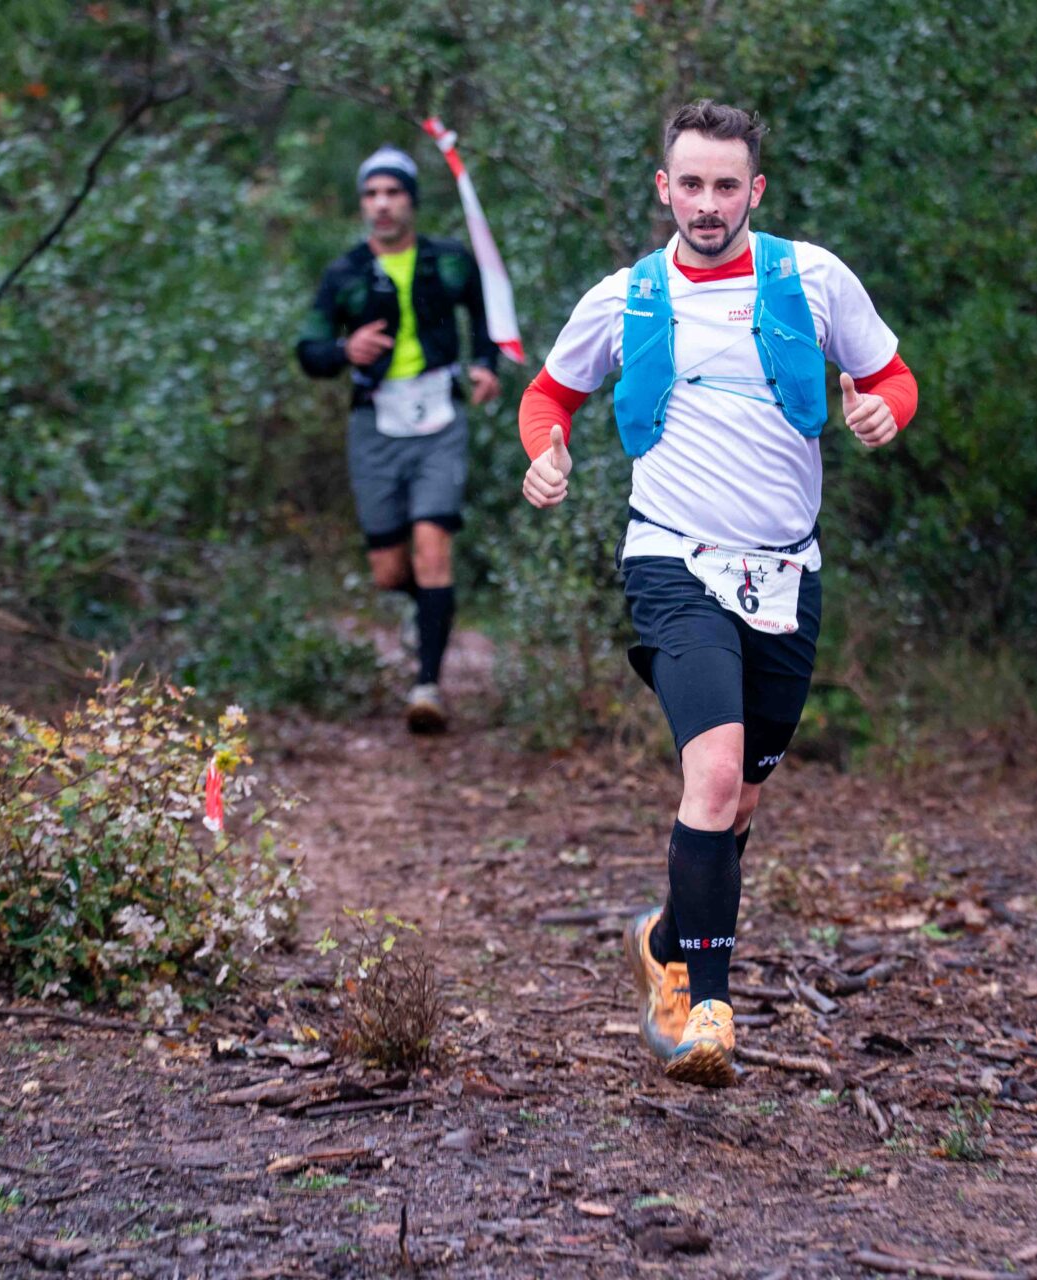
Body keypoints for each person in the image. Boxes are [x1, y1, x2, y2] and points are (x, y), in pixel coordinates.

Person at [517, 101, 919, 1086]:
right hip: (672, 560)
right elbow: (548, 395)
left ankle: (665, 938)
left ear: (755, 191)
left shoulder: (812, 279)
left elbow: (892, 375)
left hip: (785, 572)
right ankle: (704, 1010)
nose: (707, 203)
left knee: (738, 799)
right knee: (712, 774)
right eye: (690, 184)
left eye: (725, 186)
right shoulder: (625, 297)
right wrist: (546, 453)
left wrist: (883, 413)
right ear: (664, 187)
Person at [297, 144, 502, 732]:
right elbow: (308, 351)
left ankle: (427, 686)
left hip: (440, 417)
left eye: (392, 193)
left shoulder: (449, 261)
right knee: (390, 571)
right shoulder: (345, 274)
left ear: (411, 200)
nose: (382, 204)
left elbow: (486, 307)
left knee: (433, 548)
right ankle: (423, 611)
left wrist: (485, 362)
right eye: (372, 194)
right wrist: (345, 349)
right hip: (376, 424)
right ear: (362, 204)